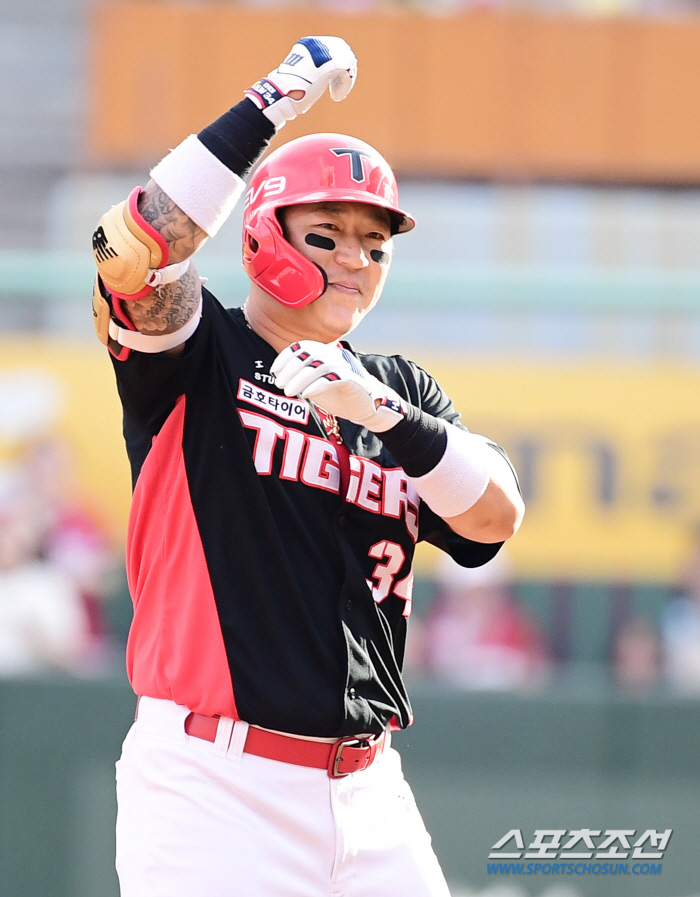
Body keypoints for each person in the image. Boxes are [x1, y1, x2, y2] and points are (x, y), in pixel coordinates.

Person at [91, 36, 524, 897]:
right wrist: (274, 100)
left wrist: (383, 413)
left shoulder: (397, 390)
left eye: (374, 242)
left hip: (369, 788)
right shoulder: (203, 352)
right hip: (214, 783)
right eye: (326, 233)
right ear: (264, 231)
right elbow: (129, 249)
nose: (354, 259)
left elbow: (496, 516)